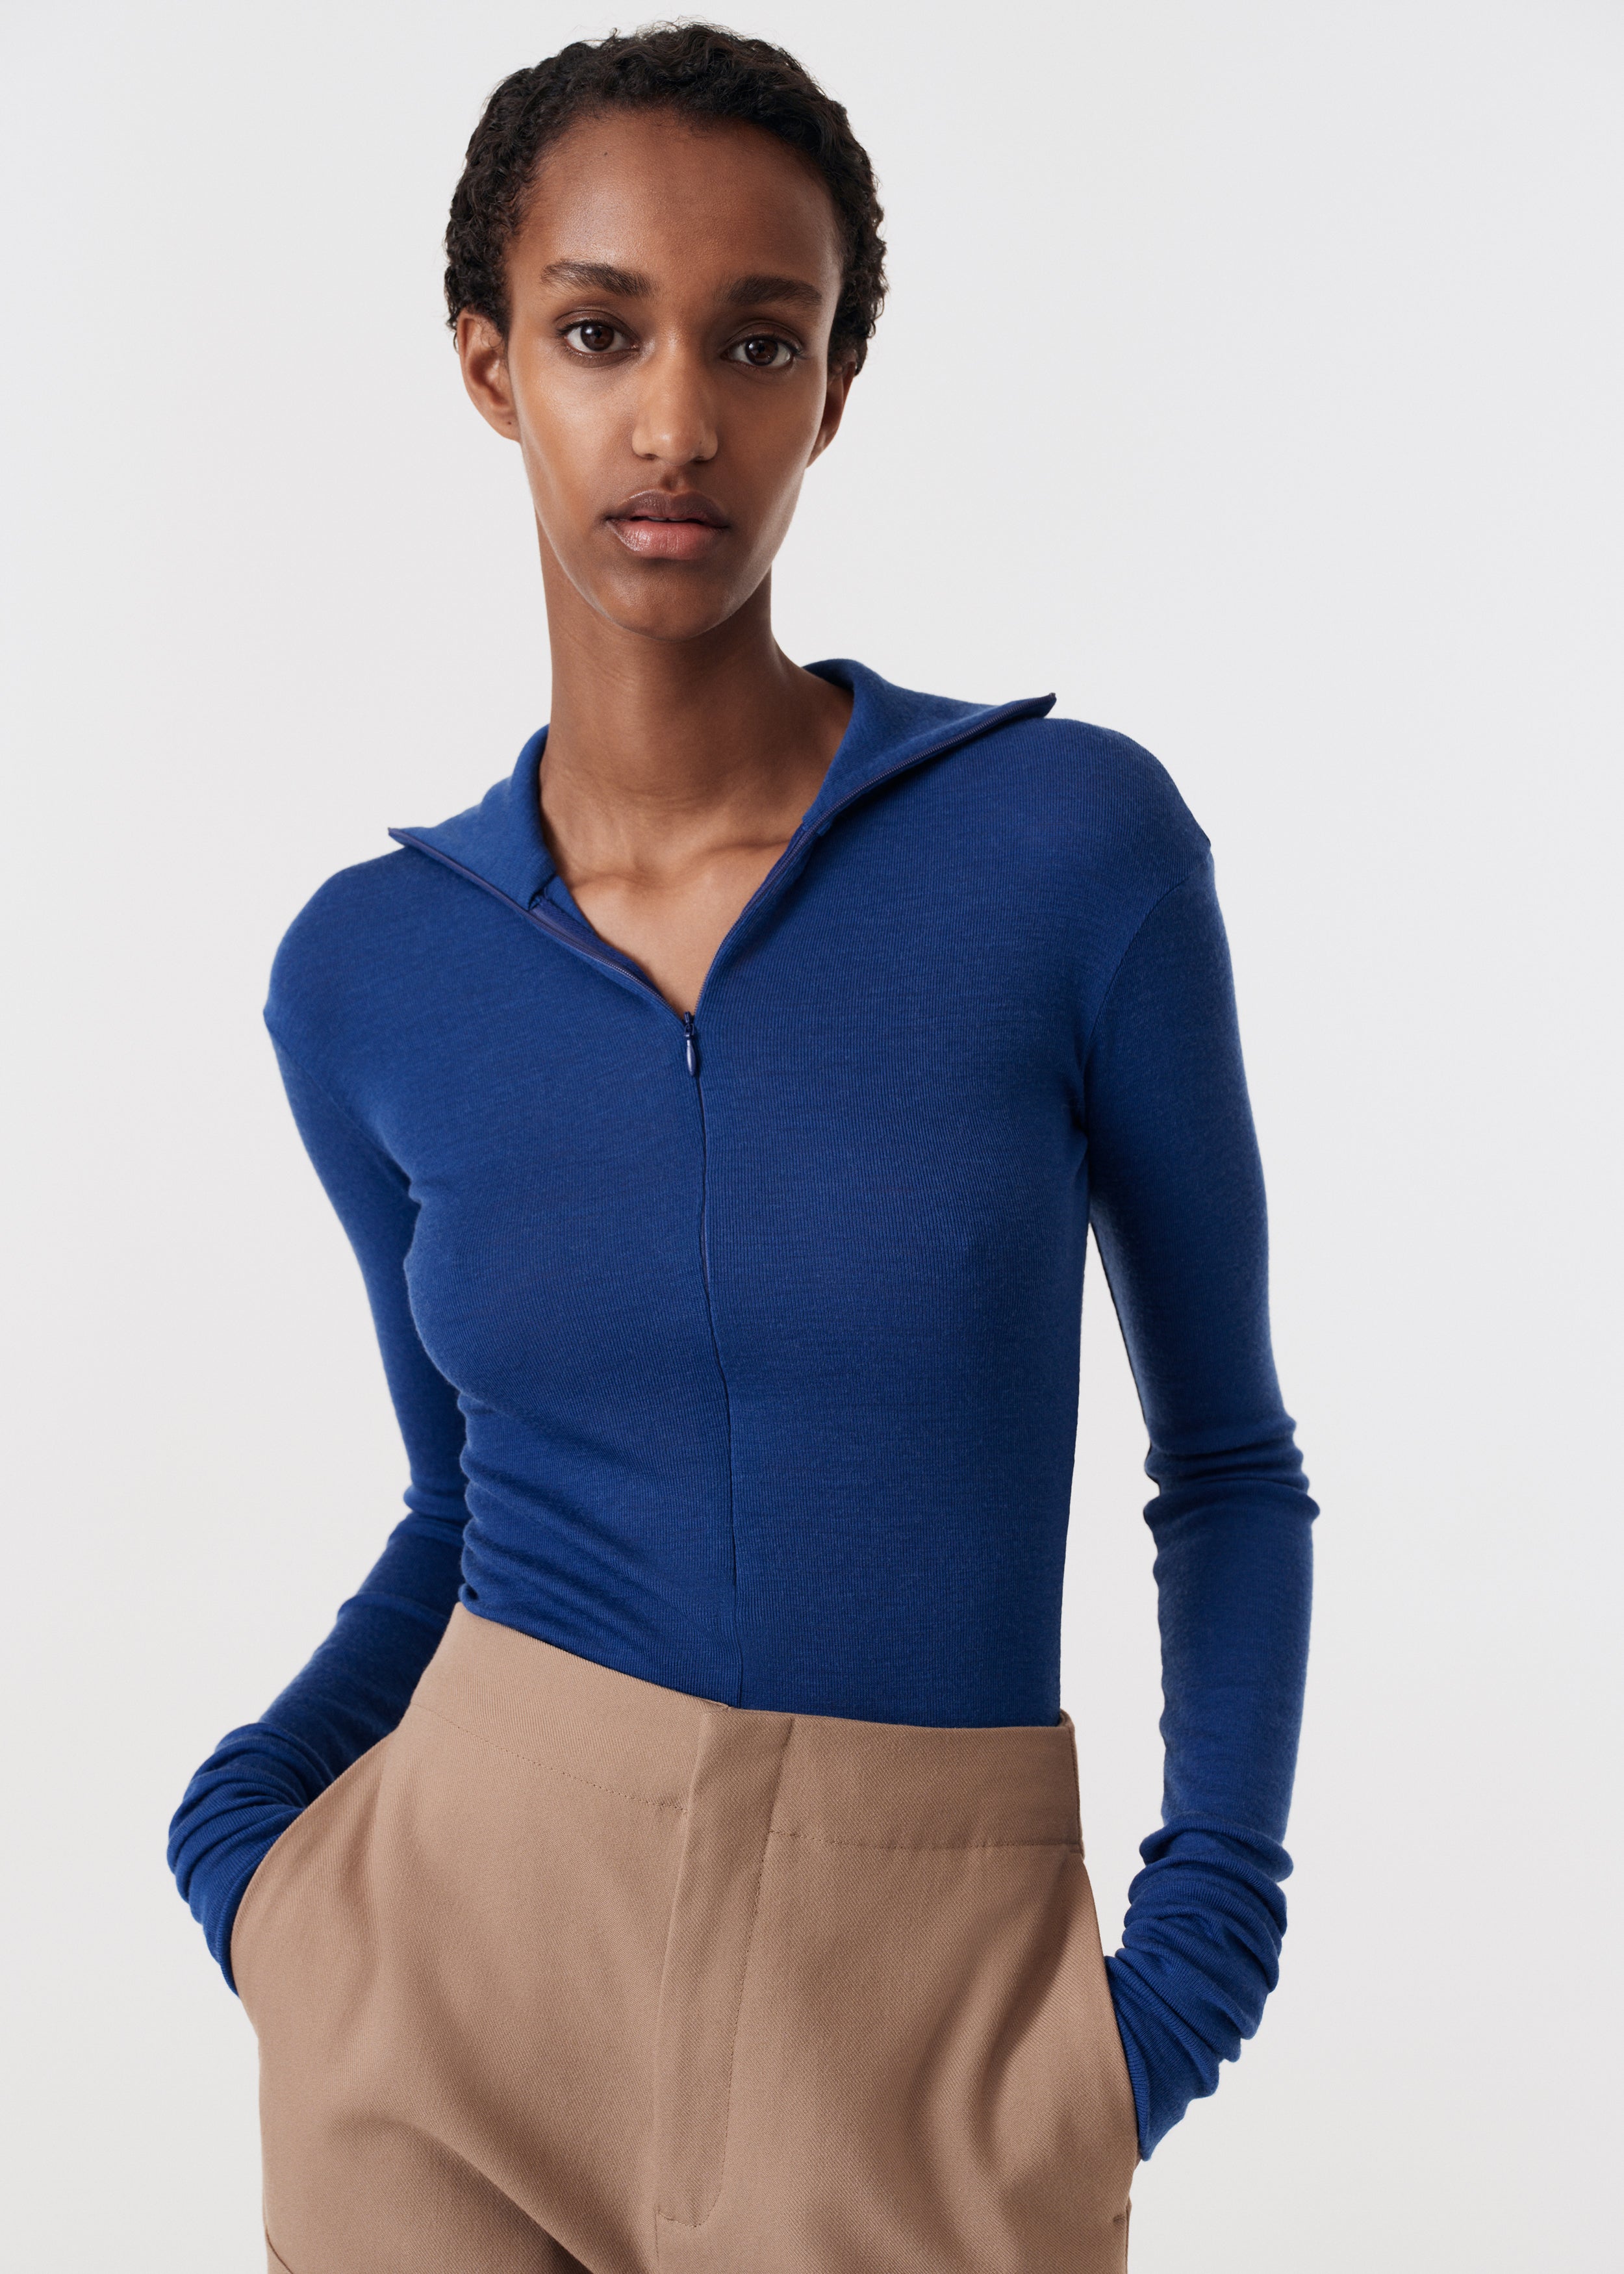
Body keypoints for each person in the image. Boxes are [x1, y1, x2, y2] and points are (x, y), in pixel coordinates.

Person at [169, 25, 1315, 2273]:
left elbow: (1227, 1463)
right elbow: (458, 1500)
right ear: (491, 365)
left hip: (927, 2021)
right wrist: (248, 1849)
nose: (676, 420)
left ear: (834, 385)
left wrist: (1189, 1970)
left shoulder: (1065, 853)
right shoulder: (369, 972)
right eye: (600, 332)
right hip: (457, 1991)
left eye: (757, 341)